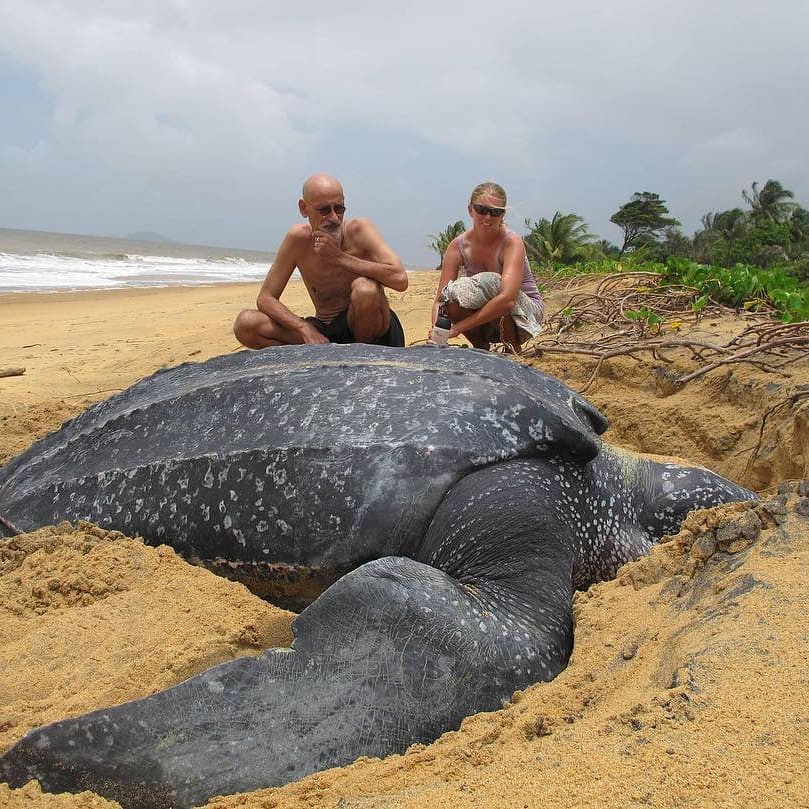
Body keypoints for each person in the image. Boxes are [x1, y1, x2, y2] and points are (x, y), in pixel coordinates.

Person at [234, 174, 408, 348]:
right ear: (304, 209)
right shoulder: (299, 239)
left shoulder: (360, 230)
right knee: (247, 323)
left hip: (372, 331)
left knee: (365, 289)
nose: (333, 218)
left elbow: (400, 280)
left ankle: (360, 357)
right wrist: (303, 328)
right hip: (326, 332)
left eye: (339, 208)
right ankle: (330, 351)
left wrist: (339, 258)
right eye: (324, 210)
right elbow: (266, 298)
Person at [430, 181, 544, 352]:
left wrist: (456, 329)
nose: (488, 217)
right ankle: (481, 347)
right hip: (487, 317)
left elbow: (507, 299)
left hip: (526, 317)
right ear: (470, 210)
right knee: (450, 299)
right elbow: (441, 299)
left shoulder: (511, 242)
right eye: (481, 210)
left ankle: (512, 348)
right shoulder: (457, 246)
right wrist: (437, 331)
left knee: (492, 282)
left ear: (502, 215)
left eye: (495, 212)